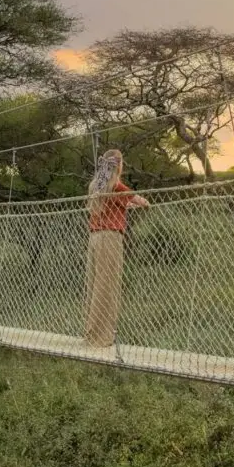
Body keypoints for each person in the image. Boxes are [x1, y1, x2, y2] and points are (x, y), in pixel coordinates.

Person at [84, 149, 149, 348]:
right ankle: (102, 338)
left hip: (95, 238)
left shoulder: (96, 186)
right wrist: (140, 203)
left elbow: (111, 206)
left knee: (93, 285)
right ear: (119, 165)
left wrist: (126, 206)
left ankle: (91, 333)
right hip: (111, 238)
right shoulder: (117, 186)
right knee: (108, 286)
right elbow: (143, 202)